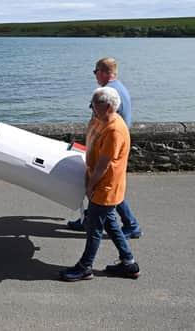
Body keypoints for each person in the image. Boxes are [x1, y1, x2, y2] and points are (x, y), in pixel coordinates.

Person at [60, 87, 140, 281]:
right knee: (111, 224)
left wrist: (90, 185)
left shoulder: (114, 130)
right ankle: (129, 264)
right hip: (102, 184)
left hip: (105, 186)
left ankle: (85, 267)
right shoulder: (100, 120)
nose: (91, 109)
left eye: (94, 106)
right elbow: (91, 138)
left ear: (109, 107)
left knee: (94, 228)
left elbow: (104, 165)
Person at [67, 57, 143, 239]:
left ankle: (130, 225)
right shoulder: (121, 89)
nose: (95, 76)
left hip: (107, 146)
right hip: (114, 144)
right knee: (108, 187)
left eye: (95, 72)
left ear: (102, 72)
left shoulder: (106, 93)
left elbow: (98, 119)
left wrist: (90, 144)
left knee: (102, 186)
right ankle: (90, 220)